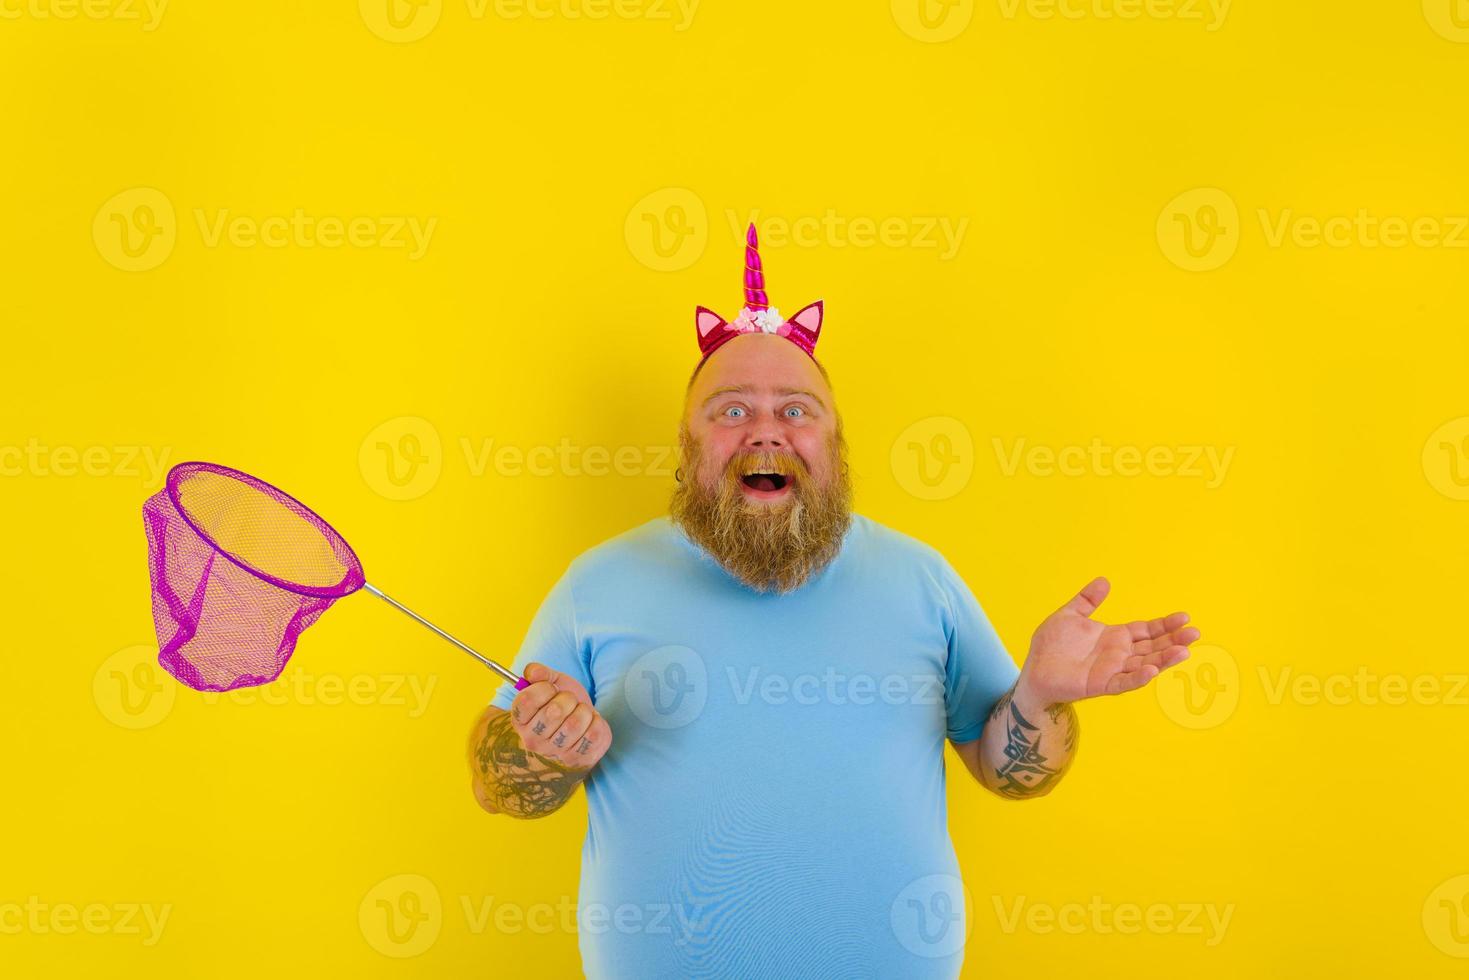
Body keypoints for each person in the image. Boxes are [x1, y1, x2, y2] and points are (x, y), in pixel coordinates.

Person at [466, 225, 1200, 978]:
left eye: (795, 410)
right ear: (686, 444)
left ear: (833, 440)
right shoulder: (598, 583)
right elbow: (498, 788)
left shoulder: (921, 579)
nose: (765, 431)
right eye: (728, 411)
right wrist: (534, 749)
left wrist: (1042, 695)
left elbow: (1010, 772)